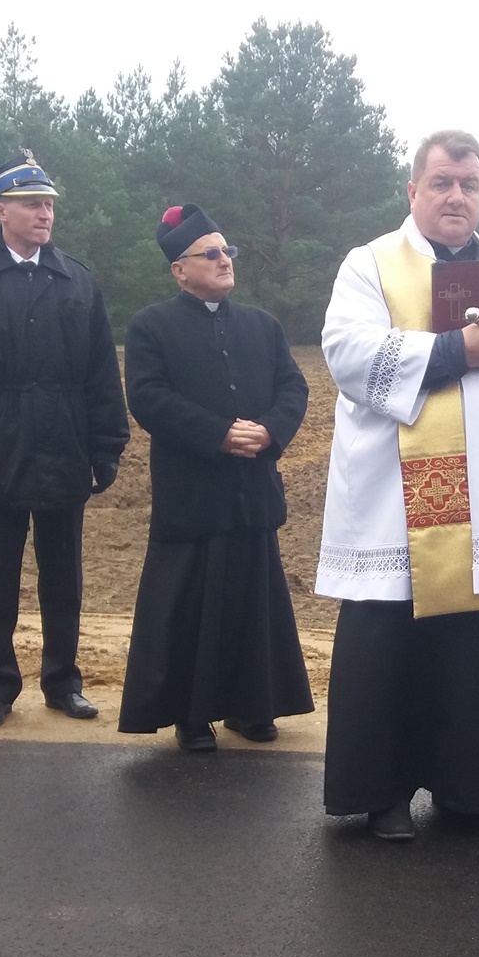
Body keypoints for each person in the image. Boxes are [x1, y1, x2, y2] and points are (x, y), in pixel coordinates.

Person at [317, 130, 479, 841]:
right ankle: (383, 794)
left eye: (468, 184)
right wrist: (455, 349)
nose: (456, 196)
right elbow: (347, 351)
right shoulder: (372, 263)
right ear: (413, 191)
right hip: (400, 506)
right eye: (441, 183)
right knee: (392, 643)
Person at [0, 151, 130, 729]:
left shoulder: (76, 279)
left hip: (63, 447)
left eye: (50, 205)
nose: (45, 214)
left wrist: (107, 444)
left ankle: (63, 683)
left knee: (64, 581)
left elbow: (100, 372)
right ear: (0, 211)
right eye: (33, 204)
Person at [117, 205, 313, 750]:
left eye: (228, 250)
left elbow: (293, 388)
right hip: (193, 495)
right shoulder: (151, 326)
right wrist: (220, 434)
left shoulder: (263, 325)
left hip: (253, 490)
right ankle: (191, 714)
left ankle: (252, 708)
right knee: (190, 608)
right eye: (211, 253)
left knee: (253, 604)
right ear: (180, 270)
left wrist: (269, 431)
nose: (225, 260)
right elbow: (148, 398)